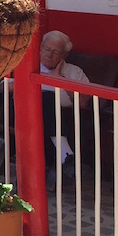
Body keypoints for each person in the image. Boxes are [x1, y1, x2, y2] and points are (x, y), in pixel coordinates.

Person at [39, 30, 92, 189]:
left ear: (64, 56)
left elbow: (84, 103)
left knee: (50, 103)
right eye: (47, 49)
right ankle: (67, 156)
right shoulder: (29, 65)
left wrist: (60, 80)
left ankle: (64, 157)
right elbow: (8, 87)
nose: (49, 55)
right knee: (47, 99)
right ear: (40, 48)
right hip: (28, 118)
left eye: (56, 52)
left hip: (67, 121)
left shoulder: (74, 72)